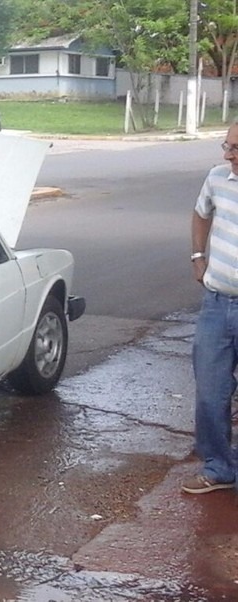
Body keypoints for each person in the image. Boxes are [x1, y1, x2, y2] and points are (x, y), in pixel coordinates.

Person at [186, 122, 238, 495]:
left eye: (235, 148)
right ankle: (219, 467)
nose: (227, 155)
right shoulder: (218, 179)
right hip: (217, 305)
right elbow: (201, 213)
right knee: (210, 391)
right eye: (227, 145)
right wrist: (197, 256)